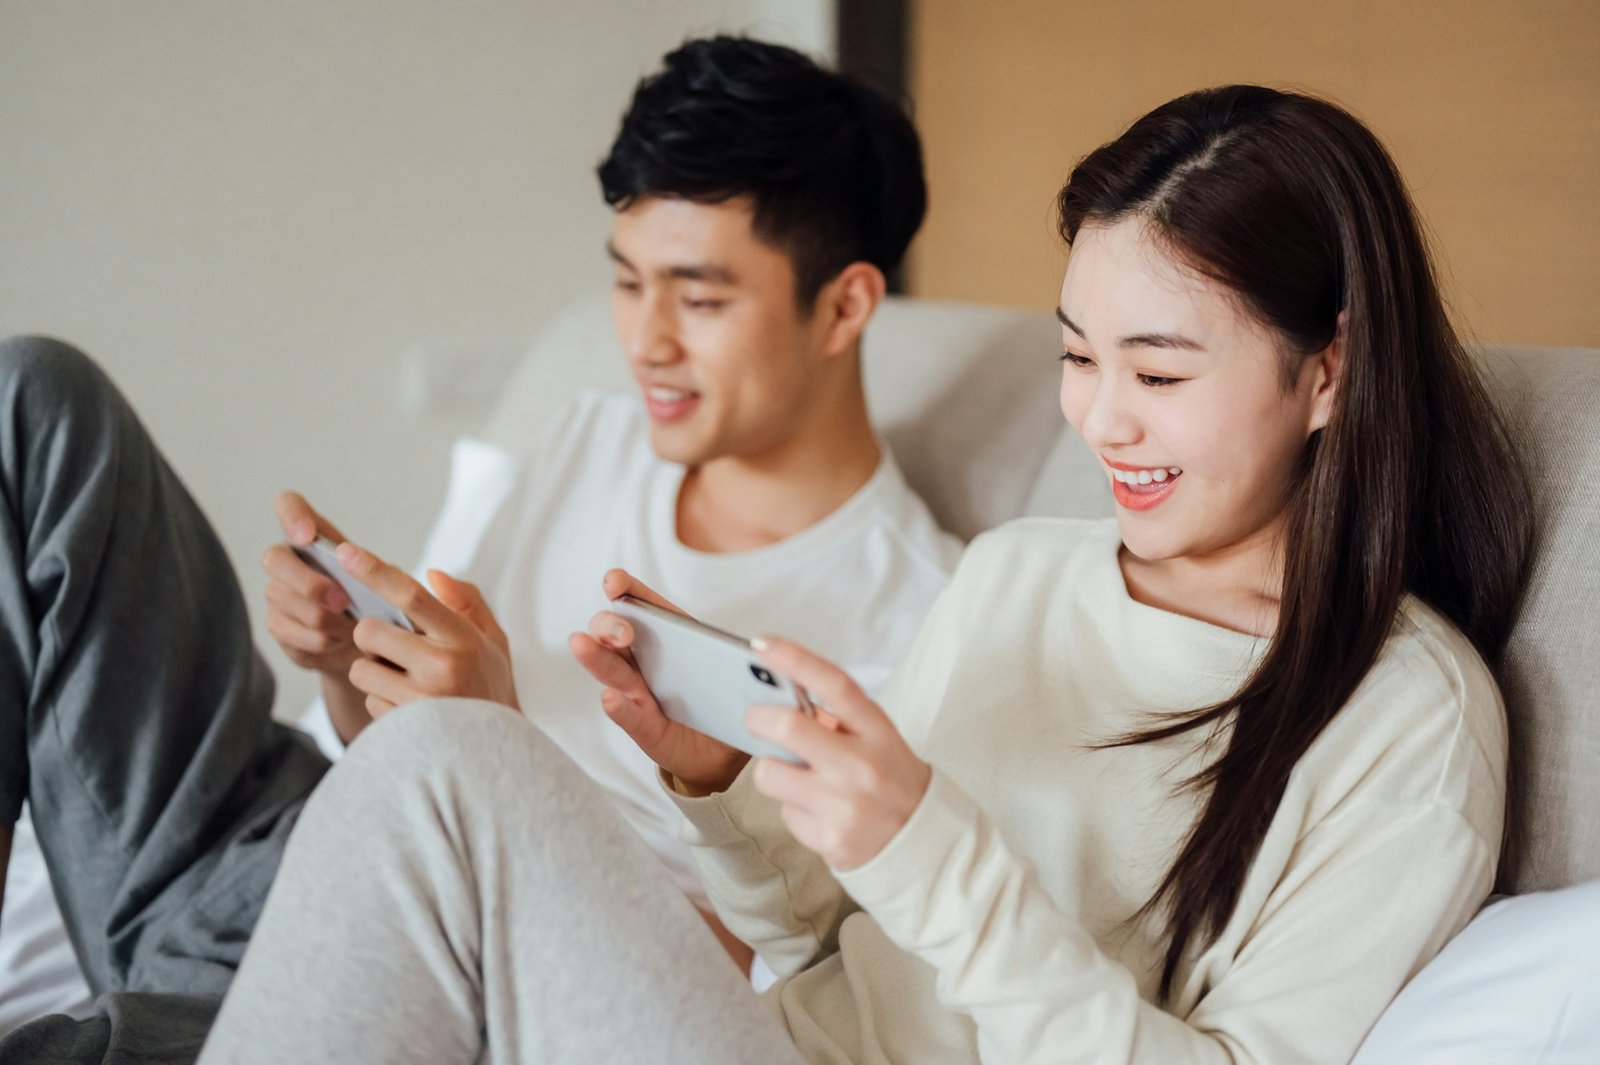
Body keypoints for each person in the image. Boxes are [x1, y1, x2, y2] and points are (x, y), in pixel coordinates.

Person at [196, 84, 1532, 1064]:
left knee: (457, 766)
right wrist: (720, 775)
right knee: (435, 773)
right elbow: (839, 945)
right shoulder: (1020, 578)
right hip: (759, 1041)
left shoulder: (1406, 721)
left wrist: (930, 848)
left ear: (1330, 370)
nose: (1100, 420)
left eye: (1160, 371)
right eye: (1078, 356)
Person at [0, 35, 957, 1062]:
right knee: (30, 398)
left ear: (846, 305)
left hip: (428, 963)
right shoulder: (591, 436)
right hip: (282, 841)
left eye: (701, 297)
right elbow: (384, 751)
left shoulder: (919, 620)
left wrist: (499, 762)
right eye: (628, 283)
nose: (645, 339)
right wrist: (349, 668)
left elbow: (735, 986)